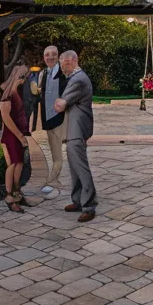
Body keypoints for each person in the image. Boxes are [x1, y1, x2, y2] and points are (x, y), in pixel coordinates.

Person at [53, 50, 98, 222]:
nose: (62, 67)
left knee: (81, 167)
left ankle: (89, 205)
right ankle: (78, 200)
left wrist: (56, 100)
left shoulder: (78, 80)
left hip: (77, 130)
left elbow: (60, 106)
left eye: (63, 63)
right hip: (74, 129)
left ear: (72, 60)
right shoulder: (77, 78)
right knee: (74, 167)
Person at [0, 64, 34, 213]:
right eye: (22, 76)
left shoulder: (15, 93)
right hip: (10, 135)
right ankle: (9, 196)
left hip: (17, 134)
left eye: (25, 77)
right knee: (12, 164)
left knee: (19, 163)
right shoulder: (8, 96)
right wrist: (20, 137)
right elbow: (6, 119)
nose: (23, 80)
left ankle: (17, 192)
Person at [31, 45, 67, 195]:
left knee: (57, 154)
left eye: (53, 54)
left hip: (61, 117)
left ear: (58, 56)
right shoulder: (43, 73)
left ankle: (51, 182)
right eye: (47, 55)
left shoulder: (65, 72)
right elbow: (39, 92)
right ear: (44, 57)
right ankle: (55, 180)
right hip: (48, 117)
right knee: (54, 152)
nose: (50, 57)